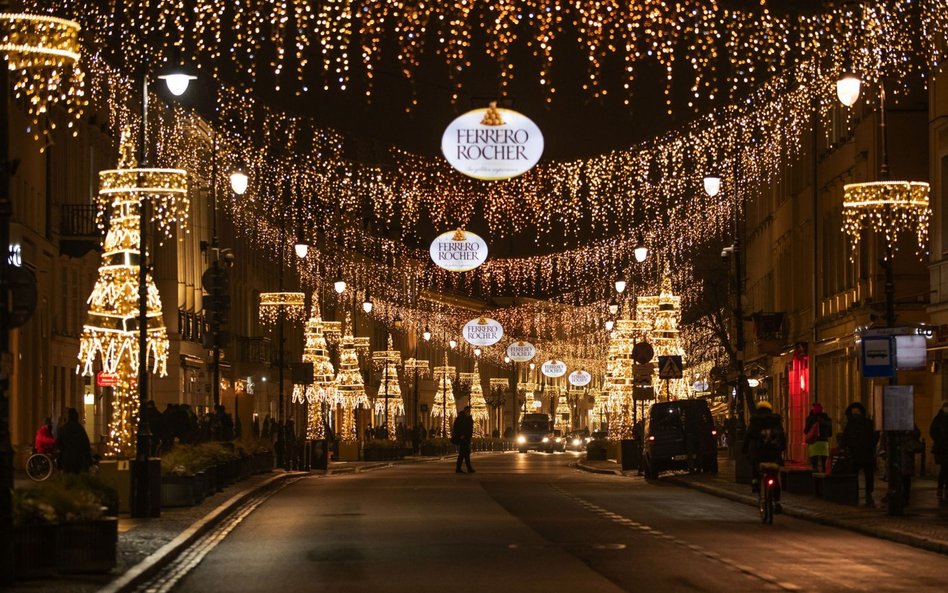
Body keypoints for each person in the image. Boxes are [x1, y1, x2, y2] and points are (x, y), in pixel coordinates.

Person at [742, 401, 786, 509]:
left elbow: (748, 436)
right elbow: (782, 435)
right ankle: (777, 502)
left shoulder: (755, 420)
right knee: (775, 476)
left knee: (756, 465)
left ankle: (755, 482)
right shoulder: (775, 420)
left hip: (759, 452)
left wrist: (744, 449)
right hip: (773, 452)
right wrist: (782, 448)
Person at [840, 402, 879, 506]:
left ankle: (868, 493)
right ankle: (858, 492)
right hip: (856, 453)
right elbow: (845, 437)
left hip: (865, 453)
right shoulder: (851, 424)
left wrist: (870, 444)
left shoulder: (867, 423)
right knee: (856, 474)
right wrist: (843, 447)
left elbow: (875, 435)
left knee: (868, 475)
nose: (855, 414)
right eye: (854, 412)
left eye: (857, 412)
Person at [55, 408, 92, 474]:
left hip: (66, 457)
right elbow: (86, 445)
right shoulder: (80, 429)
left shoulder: (63, 429)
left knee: (68, 476)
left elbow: (58, 444)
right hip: (79, 458)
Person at [804, 402, 832, 472]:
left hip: (813, 442)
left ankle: (815, 480)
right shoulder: (827, 419)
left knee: (814, 464)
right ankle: (823, 479)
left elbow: (806, 430)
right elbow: (830, 433)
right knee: (823, 464)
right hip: (824, 442)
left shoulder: (810, 418)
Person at [930, 400, 948, 501]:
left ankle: (943, 488)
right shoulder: (938, 419)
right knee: (944, 468)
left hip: (943, 448)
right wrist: (939, 440)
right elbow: (933, 432)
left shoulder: (938, 419)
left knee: (945, 468)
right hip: (942, 449)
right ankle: (941, 487)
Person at [452, 405, 475, 474]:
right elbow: (458, 428)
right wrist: (460, 435)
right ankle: (460, 468)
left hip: (466, 438)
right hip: (463, 439)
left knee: (465, 454)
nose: (469, 413)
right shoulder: (461, 418)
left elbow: (469, 428)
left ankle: (467, 468)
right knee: (463, 454)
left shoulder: (467, 418)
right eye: (468, 411)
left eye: (469, 411)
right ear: (465, 411)